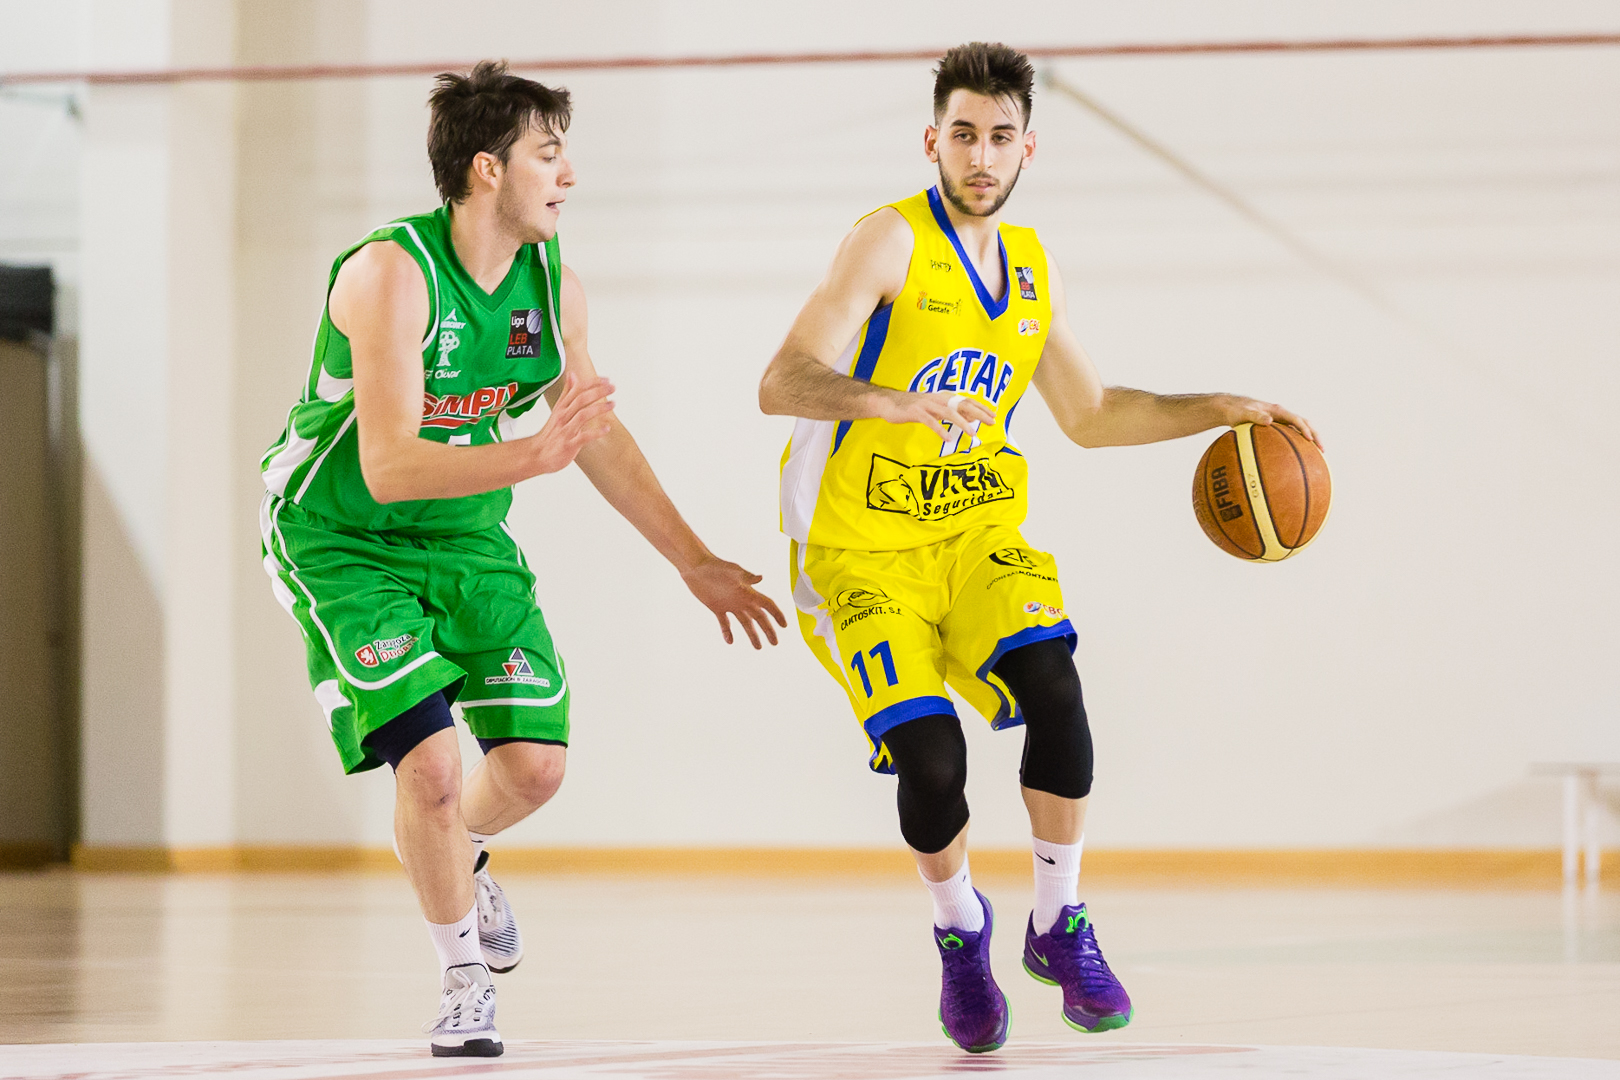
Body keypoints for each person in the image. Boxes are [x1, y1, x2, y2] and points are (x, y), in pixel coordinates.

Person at [759, 42, 1319, 1053]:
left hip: (975, 536)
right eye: (963, 134)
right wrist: (893, 401)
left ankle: (1059, 924)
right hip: (859, 552)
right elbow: (782, 379)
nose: (981, 154)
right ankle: (961, 933)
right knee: (933, 763)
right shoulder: (887, 243)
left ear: (1029, 149)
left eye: (1001, 136)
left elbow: (1092, 412)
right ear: (933, 140)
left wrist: (1217, 408)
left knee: (1058, 693)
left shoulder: (1030, 267)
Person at [259, 61, 785, 1057]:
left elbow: (595, 436)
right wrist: (533, 454)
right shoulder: (390, 275)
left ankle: (461, 855)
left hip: (463, 531)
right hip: (342, 535)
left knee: (536, 769)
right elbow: (386, 463)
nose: (570, 175)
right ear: (488, 169)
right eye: (551, 153)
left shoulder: (555, 288)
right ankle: (463, 980)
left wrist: (693, 559)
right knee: (432, 766)